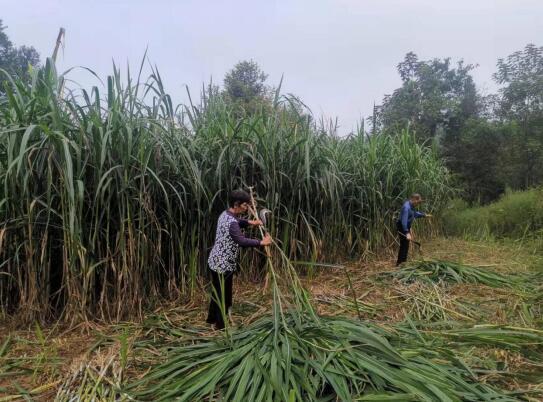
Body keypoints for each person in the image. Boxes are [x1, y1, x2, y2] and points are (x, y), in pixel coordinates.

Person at [206, 189, 272, 329]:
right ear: (236, 204)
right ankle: (220, 326)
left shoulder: (226, 214)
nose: (247, 207)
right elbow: (241, 240)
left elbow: (237, 221)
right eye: (245, 205)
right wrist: (262, 242)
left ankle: (212, 319)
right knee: (222, 296)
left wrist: (251, 222)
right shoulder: (231, 222)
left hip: (217, 261)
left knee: (219, 292)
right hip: (221, 265)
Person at [396, 193, 431, 266]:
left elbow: (415, 214)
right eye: (418, 202)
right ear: (414, 199)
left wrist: (424, 215)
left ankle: (402, 262)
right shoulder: (406, 207)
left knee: (406, 245)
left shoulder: (412, 206)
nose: (418, 204)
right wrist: (406, 232)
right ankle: (400, 263)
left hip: (405, 227)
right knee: (404, 245)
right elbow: (403, 222)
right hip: (402, 226)